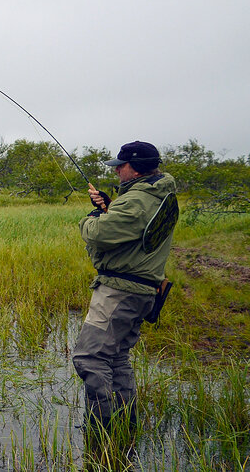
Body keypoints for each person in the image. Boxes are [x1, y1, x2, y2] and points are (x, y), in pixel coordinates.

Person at [72, 140, 178, 437]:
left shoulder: (137, 201)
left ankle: (101, 430)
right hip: (142, 291)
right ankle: (124, 425)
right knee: (116, 358)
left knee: (90, 358)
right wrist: (110, 205)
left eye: (121, 165)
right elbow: (133, 228)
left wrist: (93, 217)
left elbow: (99, 234)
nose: (117, 170)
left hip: (120, 291)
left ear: (134, 168)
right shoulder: (158, 193)